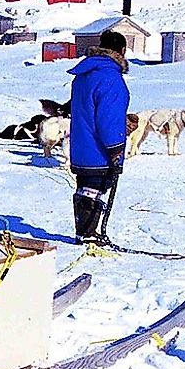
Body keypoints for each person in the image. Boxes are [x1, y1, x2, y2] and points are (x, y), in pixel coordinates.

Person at [68, 30, 131, 245]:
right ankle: (88, 235)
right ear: (122, 51)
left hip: (81, 146)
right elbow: (109, 119)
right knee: (94, 191)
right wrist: (116, 148)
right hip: (99, 150)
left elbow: (88, 109)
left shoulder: (84, 75)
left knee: (85, 189)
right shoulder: (111, 78)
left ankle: (84, 232)